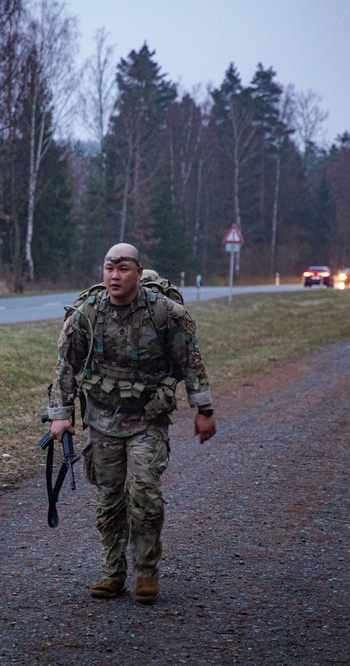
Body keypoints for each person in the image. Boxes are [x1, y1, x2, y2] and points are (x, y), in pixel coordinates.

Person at [47, 243, 216, 604]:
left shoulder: (165, 315)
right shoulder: (87, 314)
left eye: (123, 268)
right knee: (108, 502)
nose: (115, 276)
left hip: (147, 421)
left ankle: (147, 573)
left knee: (145, 496)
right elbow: (66, 367)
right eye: (109, 268)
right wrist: (60, 416)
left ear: (138, 272)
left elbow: (191, 364)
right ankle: (112, 573)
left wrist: (204, 410)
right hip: (102, 421)